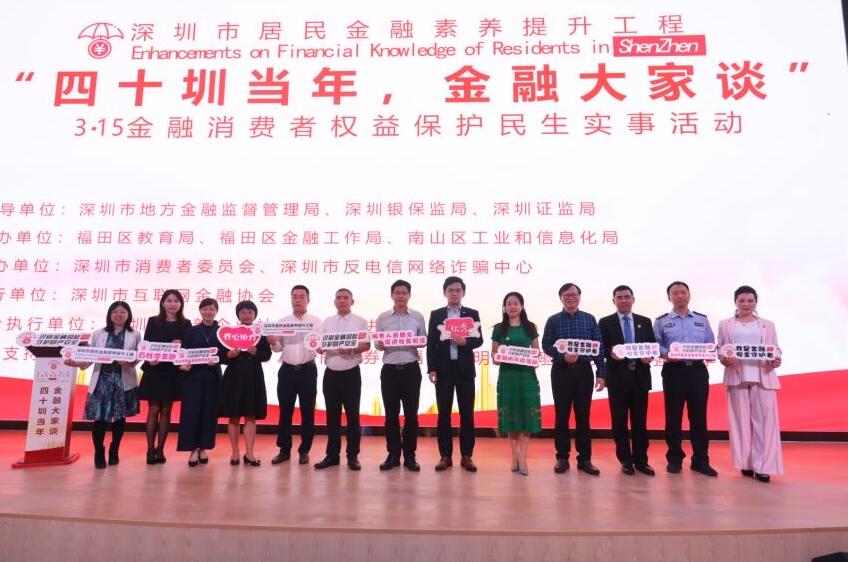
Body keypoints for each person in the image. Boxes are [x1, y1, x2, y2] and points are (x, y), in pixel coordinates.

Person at [717, 285, 784, 483]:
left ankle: (763, 466)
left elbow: (775, 348)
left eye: (750, 300)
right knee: (740, 422)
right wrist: (725, 359)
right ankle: (746, 463)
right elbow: (721, 348)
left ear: (756, 302)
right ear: (735, 302)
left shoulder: (767, 325)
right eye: (742, 300)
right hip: (737, 376)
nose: (746, 304)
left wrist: (776, 359)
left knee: (764, 422)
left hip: (763, 376)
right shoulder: (725, 324)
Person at [65, 301, 141, 469]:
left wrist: (129, 361)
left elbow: (137, 356)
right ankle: (99, 452)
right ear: (109, 314)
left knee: (119, 419)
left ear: (128, 315)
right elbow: (90, 356)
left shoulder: (135, 334)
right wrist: (77, 363)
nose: (119, 315)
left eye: (123, 312)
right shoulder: (99, 333)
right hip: (102, 381)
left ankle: (114, 450)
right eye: (115, 311)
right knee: (100, 419)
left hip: (123, 381)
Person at [654, 281, 718, 477]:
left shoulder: (702, 320)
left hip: (698, 372)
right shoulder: (661, 321)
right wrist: (666, 354)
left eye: (683, 292)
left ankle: (701, 461)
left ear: (689, 295)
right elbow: (655, 345)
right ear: (669, 297)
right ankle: (674, 459)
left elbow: (710, 343)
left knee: (699, 417)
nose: (680, 296)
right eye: (675, 293)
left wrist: (710, 352)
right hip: (674, 371)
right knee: (673, 417)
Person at [541, 283, 606, 476]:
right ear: (560, 297)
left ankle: (585, 459)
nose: (571, 298)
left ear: (579, 297)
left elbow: (598, 347)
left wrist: (601, 373)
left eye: (574, 294)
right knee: (561, 415)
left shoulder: (589, 319)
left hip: (584, 372)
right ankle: (562, 457)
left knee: (583, 416)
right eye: (566, 295)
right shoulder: (553, 320)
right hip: (561, 371)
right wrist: (562, 356)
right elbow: (546, 345)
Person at [598, 285, 657, 476]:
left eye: (626, 297)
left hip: (640, 377)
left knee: (640, 421)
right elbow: (601, 348)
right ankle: (625, 460)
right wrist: (611, 353)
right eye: (619, 297)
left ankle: (641, 460)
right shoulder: (605, 322)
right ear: (613, 301)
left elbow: (652, 346)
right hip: (617, 379)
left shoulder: (644, 321)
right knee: (619, 421)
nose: (623, 300)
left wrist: (649, 356)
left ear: (633, 299)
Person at [427, 276, 483, 472]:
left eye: (458, 290)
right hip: (443, 370)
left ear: (463, 293)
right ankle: (445, 456)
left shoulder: (472, 314)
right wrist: (431, 368)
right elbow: (431, 344)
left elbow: (479, 340)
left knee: (467, 414)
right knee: (443, 415)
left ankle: (467, 456)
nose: (454, 293)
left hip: (465, 371)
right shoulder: (436, 314)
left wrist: (466, 343)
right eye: (450, 290)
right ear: (445, 292)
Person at [314, 288, 370, 471]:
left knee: (353, 416)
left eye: (346, 298)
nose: (342, 300)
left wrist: (352, 350)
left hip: (351, 372)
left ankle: (353, 456)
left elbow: (367, 345)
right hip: (331, 373)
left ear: (352, 301)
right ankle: (332, 455)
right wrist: (319, 348)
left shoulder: (360, 321)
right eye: (339, 298)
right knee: (332, 417)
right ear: (334, 302)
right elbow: (320, 343)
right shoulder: (328, 321)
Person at [375, 279, 427, 472]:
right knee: (391, 416)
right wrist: (379, 345)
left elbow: (424, 339)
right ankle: (393, 455)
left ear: (409, 295)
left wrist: (417, 341)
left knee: (411, 416)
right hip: (389, 370)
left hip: (411, 369)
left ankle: (410, 456)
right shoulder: (383, 317)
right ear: (392, 295)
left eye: (404, 293)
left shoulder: (417, 317)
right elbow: (377, 343)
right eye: (397, 293)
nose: (400, 296)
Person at [268, 285, 322, 466]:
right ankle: (284, 450)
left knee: (307, 412)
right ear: (291, 299)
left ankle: (304, 450)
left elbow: (320, 345)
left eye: (301, 296)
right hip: (287, 371)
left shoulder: (316, 322)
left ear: (308, 299)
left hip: (308, 370)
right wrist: (273, 342)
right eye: (294, 296)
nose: (298, 300)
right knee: (285, 411)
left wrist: (321, 348)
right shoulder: (282, 321)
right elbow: (278, 349)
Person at [491, 292, 541, 476]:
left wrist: (533, 358)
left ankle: (523, 459)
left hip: (527, 377)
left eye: (516, 303)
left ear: (522, 306)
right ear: (504, 307)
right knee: (511, 419)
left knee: (527, 418)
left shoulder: (530, 327)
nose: (512, 306)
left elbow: (536, 351)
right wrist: (497, 357)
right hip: (508, 377)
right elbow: (494, 354)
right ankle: (514, 457)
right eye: (509, 303)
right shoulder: (499, 328)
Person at [137, 289, 190, 464]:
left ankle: (160, 449)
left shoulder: (186, 324)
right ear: (163, 303)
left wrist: (181, 345)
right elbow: (146, 345)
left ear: (181, 304)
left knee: (167, 410)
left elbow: (188, 349)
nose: (172, 304)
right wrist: (152, 357)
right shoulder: (153, 321)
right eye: (169, 300)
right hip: (155, 369)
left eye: (176, 301)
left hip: (173, 372)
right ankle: (149, 449)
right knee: (153, 409)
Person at [219, 300, 272, 467]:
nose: (247, 315)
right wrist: (229, 355)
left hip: (253, 377)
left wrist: (257, 352)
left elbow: (267, 355)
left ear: (255, 315)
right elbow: (220, 356)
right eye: (243, 312)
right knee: (233, 415)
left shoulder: (260, 334)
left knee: (250, 415)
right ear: (238, 315)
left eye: (250, 312)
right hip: (233, 377)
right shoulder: (230, 333)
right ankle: (235, 452)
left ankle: (249, 453)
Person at [177, 298, 225, 467]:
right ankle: (193, 450)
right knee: (191, 414)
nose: (208, 312)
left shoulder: (222, 332)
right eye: (204, 309)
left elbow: (225, 355)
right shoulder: (191, 331)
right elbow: (183, 353)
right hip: (193, 378)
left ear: (216, 312)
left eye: (211, 309)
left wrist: (218, 359)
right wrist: (183, 363)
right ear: (200, 311)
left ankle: (204, 448)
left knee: (209, 415)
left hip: (213, 379)